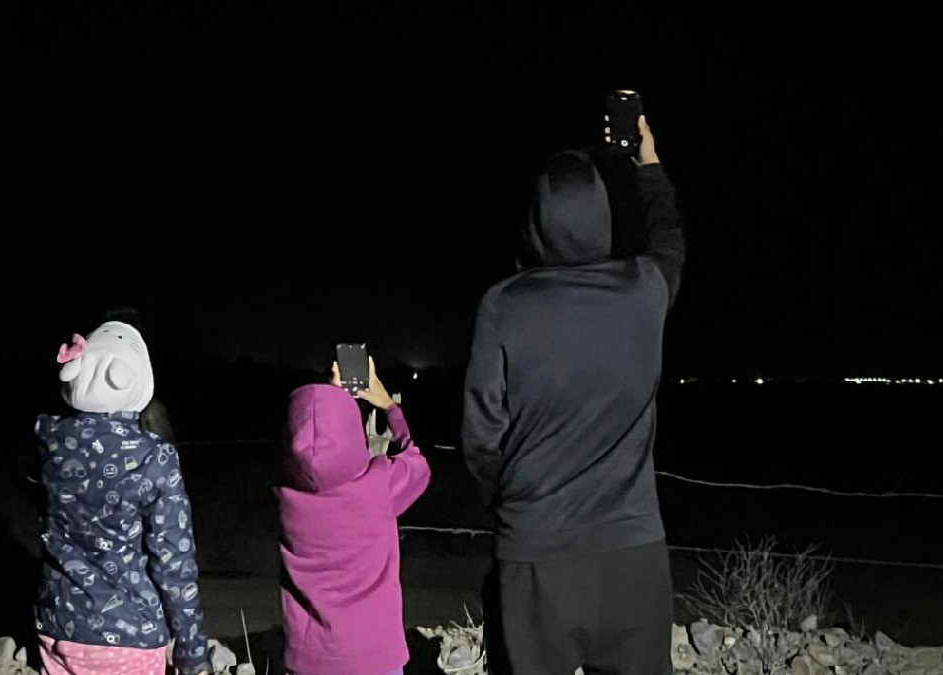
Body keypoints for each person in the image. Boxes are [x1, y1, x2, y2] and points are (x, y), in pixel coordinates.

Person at [461, 114, 686, 675]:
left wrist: (513, 505)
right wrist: (649, 165)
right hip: (634, 557)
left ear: (535, 221)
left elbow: (481, 437)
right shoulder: (644, 290)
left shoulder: (504, 306)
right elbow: (669, 237)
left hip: (537, 557)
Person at [34, 320, 210, 675]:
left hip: (56, 626)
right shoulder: (154, 458)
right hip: (130, 633)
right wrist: (191, 649)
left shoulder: (48, 442)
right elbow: (173, 561)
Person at [279, 358, 432, 675]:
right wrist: (390, 407)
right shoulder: (379, 487)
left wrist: (325, 406)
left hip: (310, 660)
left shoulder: (286, 499)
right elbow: (418, 464)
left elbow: (315, 444)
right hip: (376, 658)